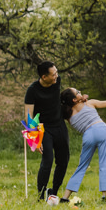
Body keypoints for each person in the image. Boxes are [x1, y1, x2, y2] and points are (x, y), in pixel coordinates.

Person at [60, 89, 106, 202]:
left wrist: (80, 100)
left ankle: (65, 197)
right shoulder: (89, 103)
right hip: (102, 129)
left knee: (82, 166)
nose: (80, 92)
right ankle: (105, 196)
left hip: (88, 135)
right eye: (78, 92)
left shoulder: (68, 115)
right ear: (74, 99)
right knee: (104, 162)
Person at [24, 61, 70, 200]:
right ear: (44, 77)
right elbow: (28, 116)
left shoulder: (57, 81)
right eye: (53, 74)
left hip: (59, 126)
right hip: (44, 129)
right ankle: (41, 194)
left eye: (56, 72)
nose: (57, 75)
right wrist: (34, 140)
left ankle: (53, 192)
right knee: (47, 160)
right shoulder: (32, 90)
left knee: (63, 161)